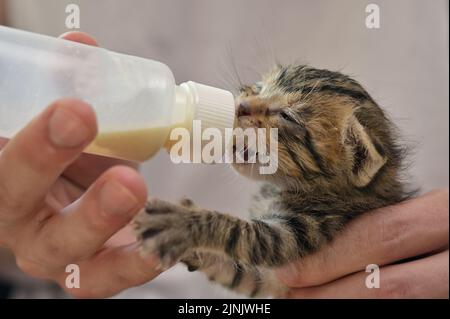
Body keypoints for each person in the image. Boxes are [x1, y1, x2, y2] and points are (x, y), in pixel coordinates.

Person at [0, 31, 448, 299]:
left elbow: (275, 252)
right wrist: (193, 248)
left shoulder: (333, 215)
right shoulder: (293, 192)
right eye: (256, 89)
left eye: (287, 118)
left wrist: (197, 232)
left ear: (357, 163)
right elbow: (265, 286)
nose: (245, 105)